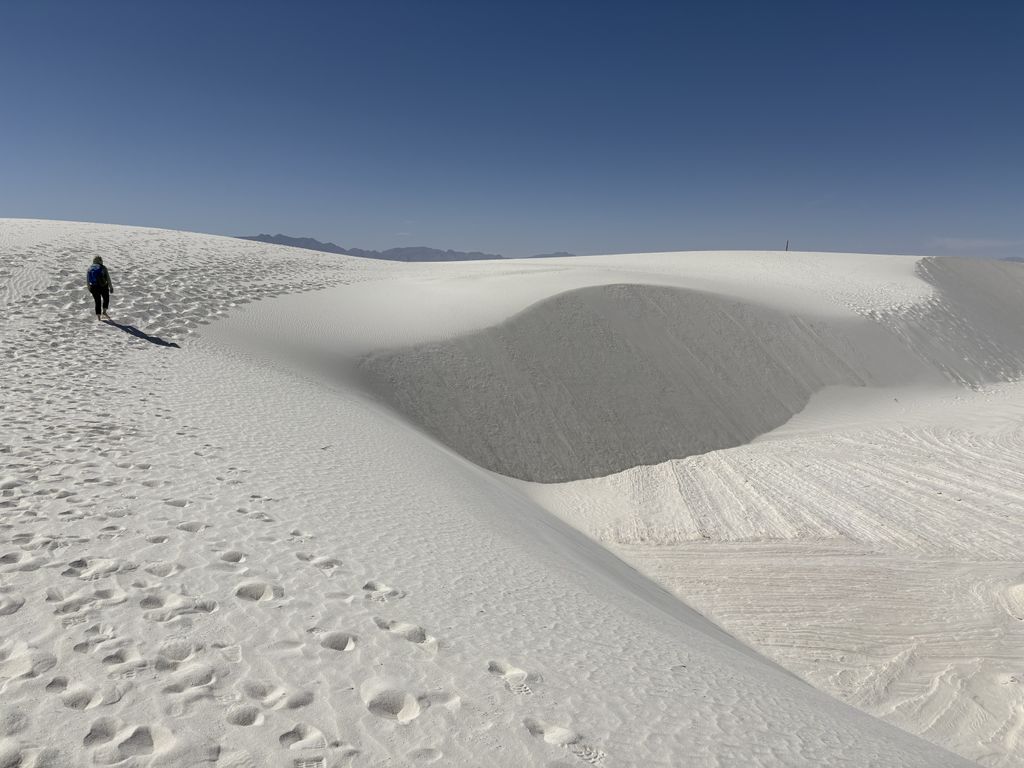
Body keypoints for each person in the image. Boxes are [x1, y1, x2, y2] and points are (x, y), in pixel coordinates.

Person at [86, 256, 113, 321]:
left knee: (97, 301)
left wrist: (89, 288)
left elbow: (87, 280)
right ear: (100, 260)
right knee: (106, 298)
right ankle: (104, 311)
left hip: (93, 287)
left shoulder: (89, 268)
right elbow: (108, 279)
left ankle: (98, 317)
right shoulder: (103, 268)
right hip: (103, 286)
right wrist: (111, 287)